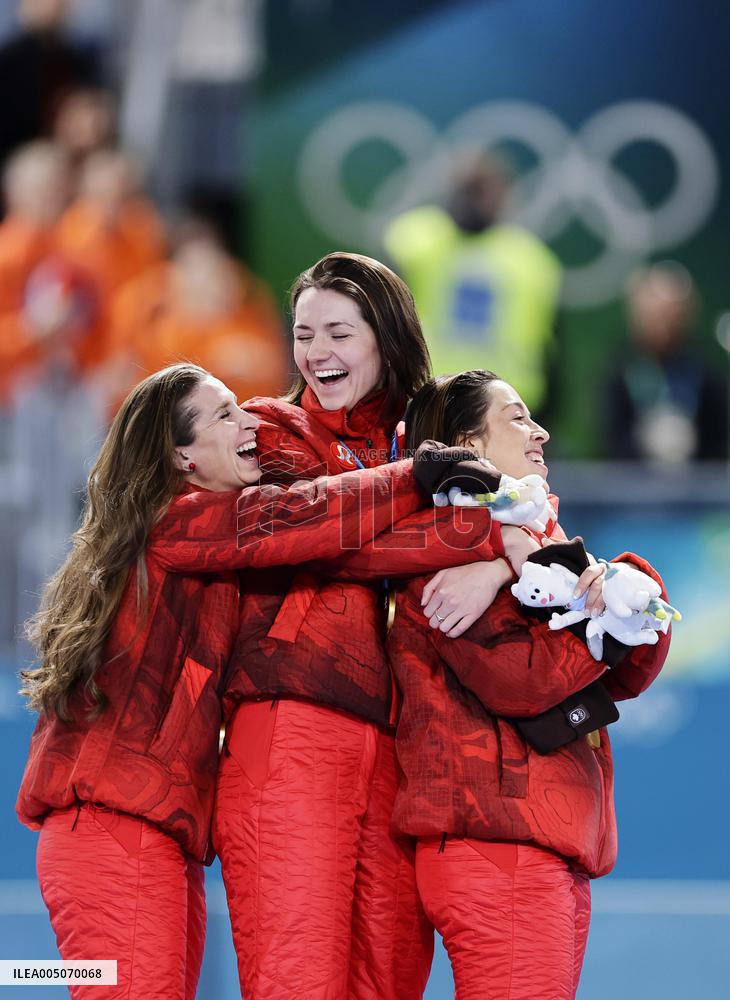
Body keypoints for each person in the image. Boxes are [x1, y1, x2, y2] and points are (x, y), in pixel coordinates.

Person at [212, 253, 592, 1000]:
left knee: (388, 981)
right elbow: (320, 535)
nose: (316, 352)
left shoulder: (431, 446)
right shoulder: (272, 432)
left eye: (338, 333)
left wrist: (505, 564)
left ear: (386, 339)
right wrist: (487, 541)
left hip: (400, 750)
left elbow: (544, 541)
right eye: (303, 333)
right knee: (297, 977)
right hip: (292, 732)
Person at [16, 362, 453, 999]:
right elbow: (301, 515)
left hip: (149, 835)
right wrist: (415, 475)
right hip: (111, 833)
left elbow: (329, 544)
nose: (249, 419)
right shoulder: (177, 520)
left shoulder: (188, 542)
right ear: (181, 457)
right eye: (224, 414)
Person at [383, 369, 671, 1000]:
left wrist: (628, 591)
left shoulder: (533, 544)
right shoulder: (446, 547)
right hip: (498, 845)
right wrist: (591, 607)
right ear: (471, 445)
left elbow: (629, 672)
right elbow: (523, 680)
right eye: (516, 418)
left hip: (541, 842)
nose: (539, 431)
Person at [383, 154, 561, 416]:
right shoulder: (414, 241)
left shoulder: (530, 260)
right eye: (469, 190)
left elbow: (551, 349)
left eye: (482, 192)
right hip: (429, 396)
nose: (475, 202)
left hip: (506, 403)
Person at [603, 262, 727, 462]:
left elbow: (715, 442)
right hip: (630, 484)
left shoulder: (705, 374)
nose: (663, 326)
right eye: (653, 314)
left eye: (670, 315)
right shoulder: (618, 371)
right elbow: (611, 438)